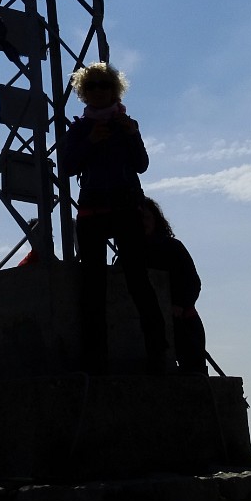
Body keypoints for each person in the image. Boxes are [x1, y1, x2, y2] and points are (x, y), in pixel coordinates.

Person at [61, 62, 168, 374]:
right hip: (92, 210)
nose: (97, 91)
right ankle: (96, 359)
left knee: (138, 280)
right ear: (83, 92)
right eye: (91, 86)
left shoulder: (126, 125)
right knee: (92, 286)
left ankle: (157, 353)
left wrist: (132, 135)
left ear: (114, 90)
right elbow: (67, 167)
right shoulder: (80, 129)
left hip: (124, 208)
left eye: (103, 85)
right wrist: (90, 142)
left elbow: (142, 164)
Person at [141, 198, 209, 375]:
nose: (142, 223)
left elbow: (193, 282)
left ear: (155, 220)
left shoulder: (173, 247)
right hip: (151, 327)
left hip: (184, 322)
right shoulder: (129, 256)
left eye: (146, 218)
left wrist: (180, 305)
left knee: (195, 374)